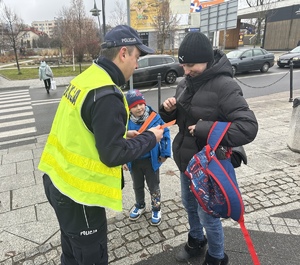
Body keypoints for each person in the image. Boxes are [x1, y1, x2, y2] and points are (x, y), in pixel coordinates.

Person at [38, 25, 164, 265]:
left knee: (71, 254)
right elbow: (112, 155)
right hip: (80, 195)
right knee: (91, 257)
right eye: (137, 57)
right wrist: (150, 138)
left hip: (57, 181)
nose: (137, 65)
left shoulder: (87, 78)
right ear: (123, 53)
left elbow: (84, 127)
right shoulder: (107, 93)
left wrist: (121, 134)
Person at [159, 32, 258, 265]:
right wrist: (168, 110)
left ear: (205, 60)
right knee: (189, 204)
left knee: (208, 215)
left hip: (209, 167)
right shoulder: (185, 84)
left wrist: (207, 129)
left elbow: (248, 127)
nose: (185, 70)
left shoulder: (225, 85)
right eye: (183, 65)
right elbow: (178, 121)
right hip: (186, 162)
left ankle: (216, 256)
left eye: (190, 65)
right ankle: (196, 240)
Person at [123, 89, 171, 226]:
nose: (139, 108)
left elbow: (165, 133)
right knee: (137, 186)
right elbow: (123, 141)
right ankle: (140, 205)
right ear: (129, 108)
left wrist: (165, 153)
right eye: (134, 106)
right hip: (134, 161)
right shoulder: (126, 122)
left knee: (154, 186)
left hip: (151, 160)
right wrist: (124, 160)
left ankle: (156, 208)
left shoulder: (154, 118)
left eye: (140, 104)